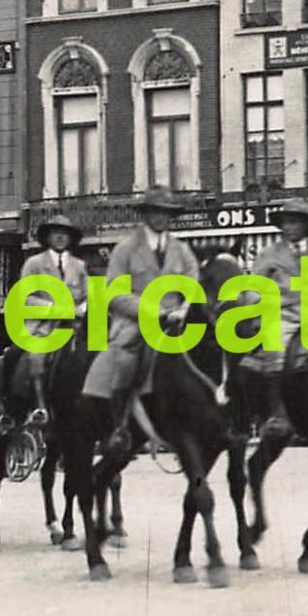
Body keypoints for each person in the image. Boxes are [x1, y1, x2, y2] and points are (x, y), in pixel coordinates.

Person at [81, 186, 199, 456]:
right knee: (125, 359)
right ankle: (120, 425)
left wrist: (185, 307)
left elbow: (193, 282)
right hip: (136, 322)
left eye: (166, 213)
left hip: (176, 321)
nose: (161, 218)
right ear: (145, 214)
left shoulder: (182, 249)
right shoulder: (126, 249)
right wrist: (152, 312)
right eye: (155, 212)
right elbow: (115, 293)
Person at [245, 199, 308, 440]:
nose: (288, 227)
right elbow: (255, 286)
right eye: (285, 222)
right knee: (277, 347)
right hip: (282, 314)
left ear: (306, 225)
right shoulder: (269, 254)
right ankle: (278, 412)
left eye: (294, 222)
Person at [19, 214, 88, 426]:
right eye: (55, 233)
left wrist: (83, 308)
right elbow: (25, 298)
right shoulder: (34, 264)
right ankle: (40, 407)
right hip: (44, 327)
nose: (60, 237)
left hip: (75, 327)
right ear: (47, 237)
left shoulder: (79, 266)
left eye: (64, 233)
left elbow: (87, 296)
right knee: (36, 357)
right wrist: (54, 308)